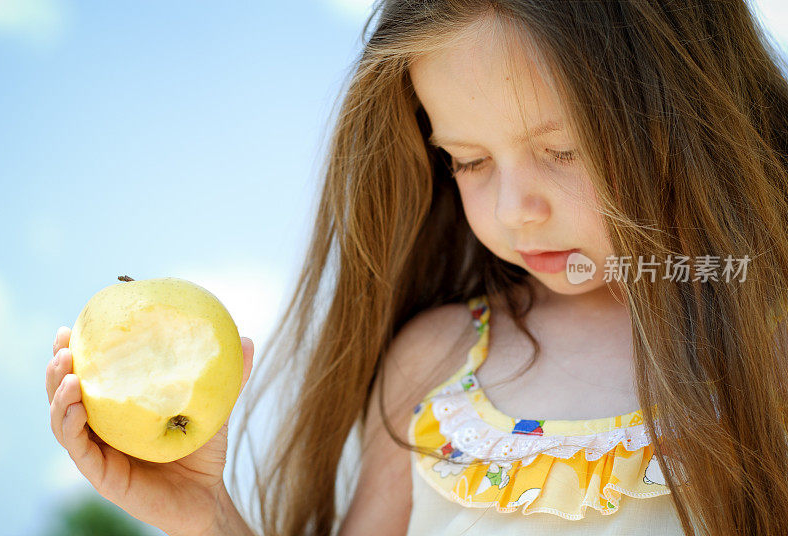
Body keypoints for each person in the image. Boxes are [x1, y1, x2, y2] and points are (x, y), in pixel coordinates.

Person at [46, 1, 788, 535]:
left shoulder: (771, 339)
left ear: (689, 113)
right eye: (467, 160)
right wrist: (205, 516)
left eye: (565, 151)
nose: (515, 208)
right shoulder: (438, 364)